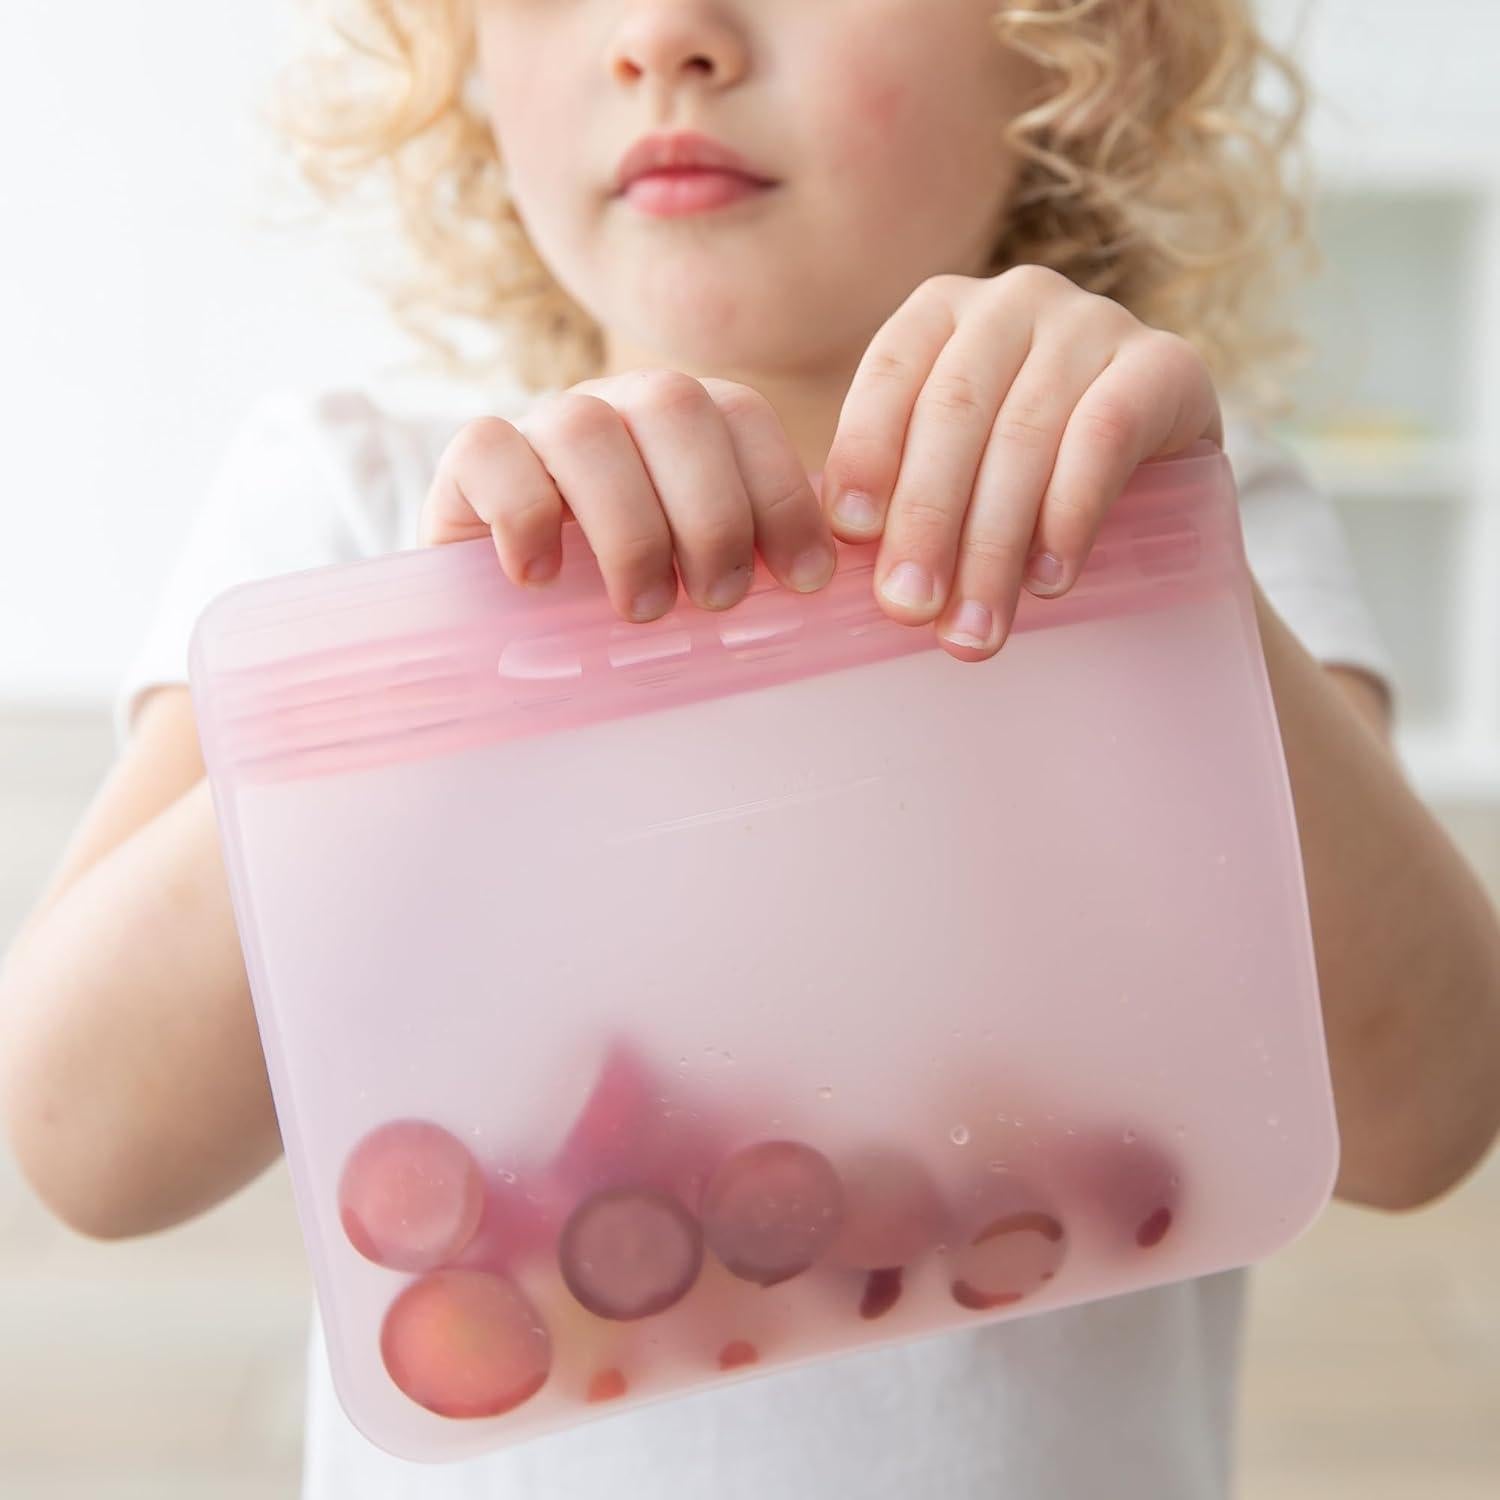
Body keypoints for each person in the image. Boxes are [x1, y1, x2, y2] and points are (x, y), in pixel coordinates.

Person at [4, 2, 1500, 1497]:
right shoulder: (351, 503)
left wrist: (1166, 573)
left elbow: (1423, 1113)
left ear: (1065, 44)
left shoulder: (1160, 513)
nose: (667, 33)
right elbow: (85, 1137)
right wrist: (446, 669)